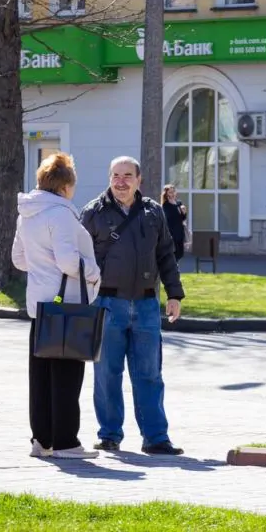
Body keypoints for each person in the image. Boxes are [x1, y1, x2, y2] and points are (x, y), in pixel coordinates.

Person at [80, 156, 185, 456]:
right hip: (107, 304)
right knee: (107, 374)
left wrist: (174, 295)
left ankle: (155, 438)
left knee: (150, 374)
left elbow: (166, 254)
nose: (121, 181)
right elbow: (79, 260)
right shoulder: (93, 213)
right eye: (115, 175)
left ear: (139, 180)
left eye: (127, 175)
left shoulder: (153, 212)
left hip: (147, 305)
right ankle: (110, 434)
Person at [12, 152, 102, 460]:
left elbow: (19, 259)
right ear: (65, 186)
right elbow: (68, 261)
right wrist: (93, 270)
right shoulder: (61, 213)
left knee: (40, 376)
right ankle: (66, 442)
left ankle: (43, 440)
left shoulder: (27, 213)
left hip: (40, 306)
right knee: (66, 375)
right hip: (67, 307)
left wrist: (42, 269)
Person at [160, 184, 188, 261]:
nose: (172, 194)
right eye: (170, 192)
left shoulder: (179, 203)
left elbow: (182, 218)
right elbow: (169, 218)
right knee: (174, 253)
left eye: (173, 192)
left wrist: (184, 212)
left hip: (180, 232)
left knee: (181, 253)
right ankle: (172, 269)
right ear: (166, 194)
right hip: (171, 233)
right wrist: (176, 209)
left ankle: (174, 267)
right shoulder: (165, 205)